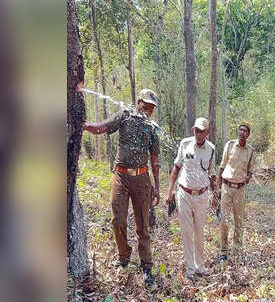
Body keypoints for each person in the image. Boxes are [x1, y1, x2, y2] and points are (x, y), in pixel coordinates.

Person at [82, 88, 160, 284]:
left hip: (142, 180)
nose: (148, 110)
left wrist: (156, 186)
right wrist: (83, 125)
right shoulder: (124, 115)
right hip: (121, 177)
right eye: (145, 105)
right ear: (138, 102)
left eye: (152, 108)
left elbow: (155, 158)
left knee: (143, 227)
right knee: (118, 221)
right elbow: (102, 128)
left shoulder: (151, 128)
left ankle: (146, 267)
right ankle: (124, 257)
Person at [164, 117, 216, 280]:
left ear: (207, 132)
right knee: (186, 232)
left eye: (202, 131)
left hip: (201, 195)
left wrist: (216, 194)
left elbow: (212, 173)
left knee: (199, 231)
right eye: (196, 131)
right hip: (184, 194)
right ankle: (190, 268)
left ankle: (200, 266)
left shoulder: (212, 149)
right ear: (193, 130)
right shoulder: (185, 144)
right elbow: (176, 167)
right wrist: (169, 190)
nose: (199, 134)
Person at [217, 121, 255, 262]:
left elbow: (251, 169)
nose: (242, 133)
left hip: (240, 189)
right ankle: (223, 251)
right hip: (226, 187)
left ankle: (237, 249)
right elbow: (222, 166)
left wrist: (248, 177)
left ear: (248, 135)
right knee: (224, 221)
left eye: (245, 131)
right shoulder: (229, 145)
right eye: (241, 130)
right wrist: (217, 187)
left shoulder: (250, 151)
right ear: (238, 131)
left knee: (239, 221)